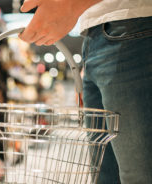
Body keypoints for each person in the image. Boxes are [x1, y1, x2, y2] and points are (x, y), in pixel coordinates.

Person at [18, 0, 152, 183]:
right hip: (94, 37)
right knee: (105, 176)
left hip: (134, 26)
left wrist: (70, 5)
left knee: (139, 176)